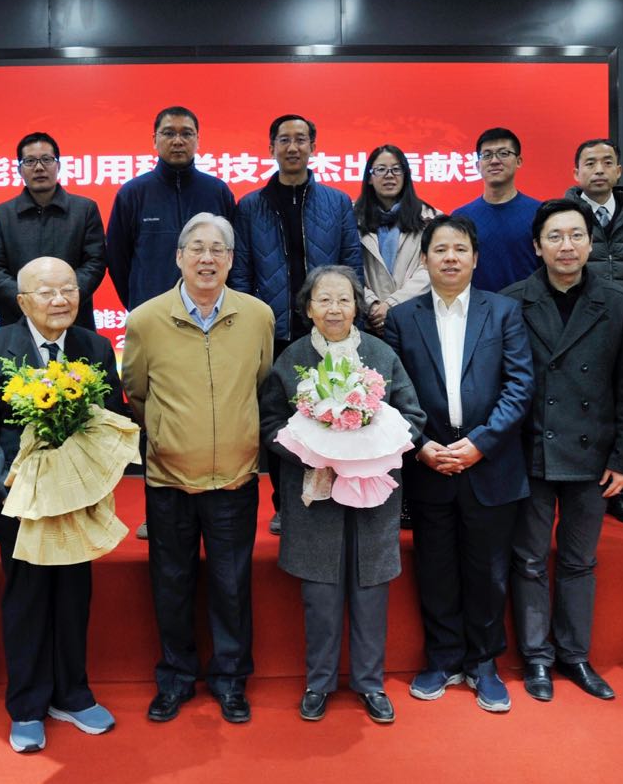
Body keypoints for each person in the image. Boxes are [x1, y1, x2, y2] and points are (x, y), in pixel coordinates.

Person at [0, 257, 125, 753]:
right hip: (20, 504)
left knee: (75, 595)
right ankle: (28, 705)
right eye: (47, 292)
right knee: (28, 600)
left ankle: (72, 695)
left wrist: (92, 480)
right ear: (22, 301)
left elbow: (109, 420)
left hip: (76, 499)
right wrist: (11, 489)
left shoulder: (95, 347)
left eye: (69, 290)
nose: (60, 300)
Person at [123, 213, 274, 725]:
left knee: (232, 585)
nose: (207, 258)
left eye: (218, 250)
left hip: (235, 475)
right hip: (169, 478)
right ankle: (176, 678)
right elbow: (137, 391)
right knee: (172, 583)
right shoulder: (145, 319)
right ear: (179, 256)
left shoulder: (257, 315)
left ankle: (230, 680)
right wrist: (170, 434)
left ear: (231, 260)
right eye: (197, 248)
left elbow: (260, 382)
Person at [258, 265, 425, 724]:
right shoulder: (291, 358)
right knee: (321, 592)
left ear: (357, 307)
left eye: (344, 299)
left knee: (370, 587)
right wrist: (314, 450)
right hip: (316, 495)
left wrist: (370, 445)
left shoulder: (381, 354)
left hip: (372, 493)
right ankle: (319, 682)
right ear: (308, 309)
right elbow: (269, 423)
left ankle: (371, 683)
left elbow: (413, 415)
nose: (335, 309)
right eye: (324, 300)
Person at [383, 214, 534, 713]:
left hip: (489, 465)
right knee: (436, 568)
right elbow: (392, 393)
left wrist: (480, 444)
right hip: (429, 464)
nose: (450, 257)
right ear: (425, 259)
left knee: (488, 570)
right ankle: (443, 659)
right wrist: (421, 444)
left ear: (475, 257)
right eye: (440, 249)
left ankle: (484, 663)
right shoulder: (403, 319)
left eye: (460, 249)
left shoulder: (504, 312)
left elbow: (519, 386)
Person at [502, 199, 623, 703]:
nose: (567, 246)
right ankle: (537, 658)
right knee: (530, 559)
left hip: (593, 455)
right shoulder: (510, 302)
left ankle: (575, 655)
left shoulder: (619, 303)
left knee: (580, 560)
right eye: (555, 237)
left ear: (591, 243)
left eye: (576, 235)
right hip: (531, 451)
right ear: (537, 246)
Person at [231, 114, 364, 534]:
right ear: (271, 147)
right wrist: (251, 323)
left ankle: (336, 494)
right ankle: (284, 503)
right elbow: (241, 272)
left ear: (313, 146)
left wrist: (345, 312)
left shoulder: (337, 202)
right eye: (284, 140)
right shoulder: (250, 205)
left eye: (301, 139)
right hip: (274, 332)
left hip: (327, 328)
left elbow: (352, 263)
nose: (293, 147)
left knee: (334, 408)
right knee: (281, 419)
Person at [564, 139, 623, 527]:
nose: (598, 169)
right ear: (576, 173)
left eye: (606, 162)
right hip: (578, 327)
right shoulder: (565, 217)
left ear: (618, 170)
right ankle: (577, 484)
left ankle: (620, 490)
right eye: (589, 163)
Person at [105, 106, 237, 312]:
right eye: (168, 133)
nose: (177, 141)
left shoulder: (217, 191)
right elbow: (117, 259)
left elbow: (233, 254)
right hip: (150, 312)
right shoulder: (132, 193)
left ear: (198, 140)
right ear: (154, 139)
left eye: (186, 134)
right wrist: (139, 303)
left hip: (209, 311)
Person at [0, 132, 107, 328]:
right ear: (19, 170)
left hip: (73, 319)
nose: (39, 167)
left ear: (59, 166)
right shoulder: (2, 214)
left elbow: (95, 262)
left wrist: (64, 298)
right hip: (19, 319)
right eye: (30, 161)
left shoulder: (84, 210)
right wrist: (28, 300)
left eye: (47, 159)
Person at [355, 144, 439, 335]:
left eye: (396, 169)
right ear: (369, 177)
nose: (389, 175)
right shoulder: (351, 218)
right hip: (367, 321)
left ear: (406, 175)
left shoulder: (431, 218)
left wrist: (391, 305)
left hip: (416, 319)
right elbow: (348, 268)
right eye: (381, 169)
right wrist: (372, 305)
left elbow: (430, 269)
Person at [452, 127, 541, 293]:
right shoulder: (461, 217)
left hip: (528, 305)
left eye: (503, 153)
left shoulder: (540, 212)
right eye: (487, 155)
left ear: (519, 161)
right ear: (477, 165)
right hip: (477, 306)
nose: (494, 161)